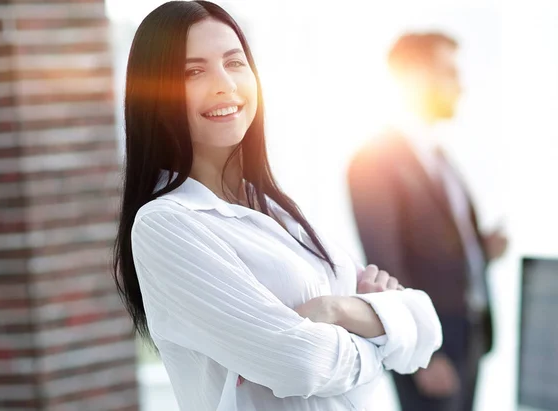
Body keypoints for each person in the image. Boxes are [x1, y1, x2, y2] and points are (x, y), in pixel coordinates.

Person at [112, 2, 442, 410]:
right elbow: (299, 365)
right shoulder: (165, 225)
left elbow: (425, 325)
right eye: (193, 71)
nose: (224, 85)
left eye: (234, 63)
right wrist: (381, 333)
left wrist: (334, 309)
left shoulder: (276, 207)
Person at [347, 32, 508, 411]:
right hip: (428, 346)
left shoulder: (440, 158)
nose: (461, 86)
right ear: (414, 76)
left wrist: (481, 250)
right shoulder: (375, 161)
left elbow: (437, 247)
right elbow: (387, 263)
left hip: (468, 334)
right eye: (449, 72)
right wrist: (423, 354)